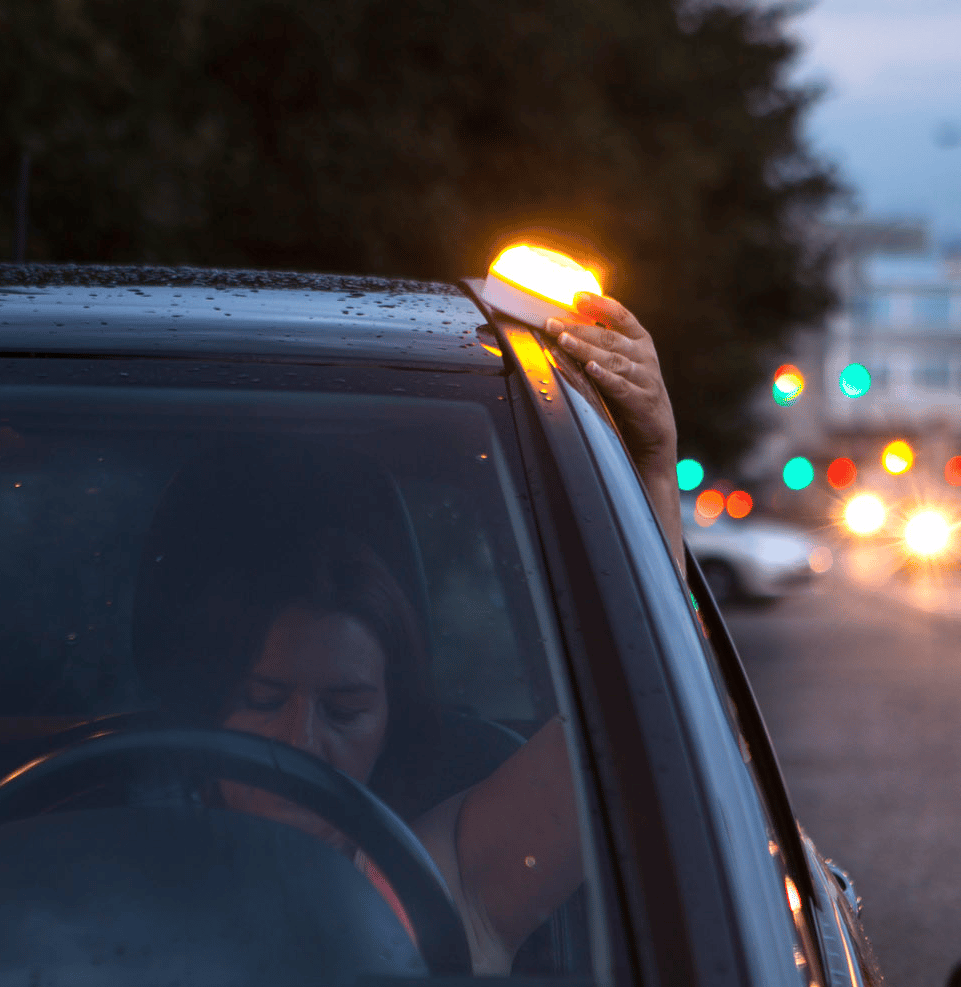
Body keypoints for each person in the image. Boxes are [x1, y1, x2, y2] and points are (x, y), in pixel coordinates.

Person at [182, 292, 682, 974]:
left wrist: (652, 465)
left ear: (393, 715)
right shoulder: (73, 859)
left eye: (346, 707)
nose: (300, 742)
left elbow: (633, 713)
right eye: (266, 697)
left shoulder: (442, 884)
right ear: (210, 699)